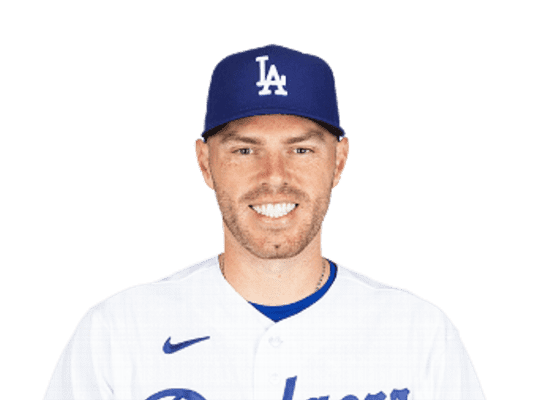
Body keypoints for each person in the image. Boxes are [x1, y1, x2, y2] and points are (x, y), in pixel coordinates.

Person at [43, 44, 486, 400]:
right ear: (205, 162)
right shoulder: (118, 333)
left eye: (301, 149)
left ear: (339, 161)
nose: (274, 177)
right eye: (245, 150)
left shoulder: (417, 334)